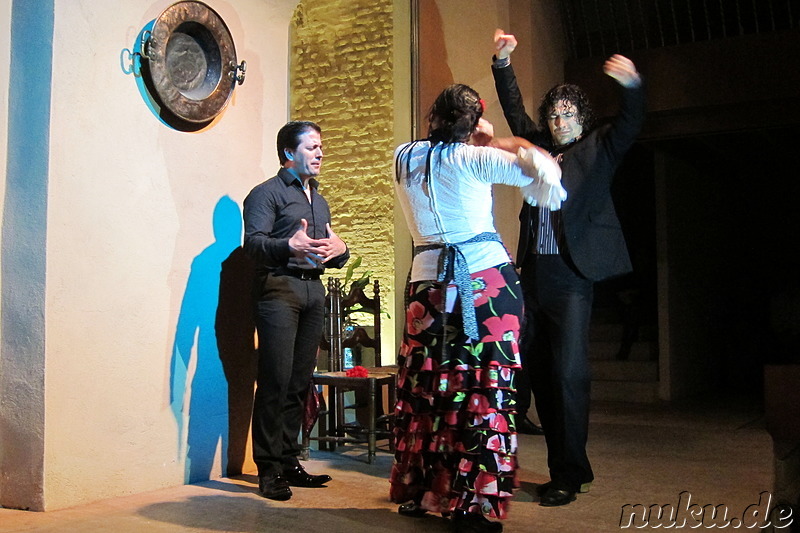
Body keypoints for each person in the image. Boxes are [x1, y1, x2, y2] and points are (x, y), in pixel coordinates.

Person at [389, 83, 565, 533]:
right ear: (473, 122)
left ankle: (423, 490)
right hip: (484, 281)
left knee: (431, 389)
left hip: (428, 283)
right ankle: (476, 505)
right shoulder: (475, 157)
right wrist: (502, 141)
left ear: (433, 116)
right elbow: (547, 176)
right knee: (484, 393)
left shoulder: (403, 156)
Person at [491, 30, 646, 507]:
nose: (558, 121)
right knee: (534, 374)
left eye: (567, 114)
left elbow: (631, 122)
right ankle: (543, 465)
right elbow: (514, 112)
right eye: (554, 114)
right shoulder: (537, 145)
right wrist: (502, 63)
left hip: (572, 280)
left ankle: (570, 472)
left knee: (568, 376)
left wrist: (632, 85)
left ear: (582, 119)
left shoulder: (599, 146)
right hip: (532, 276)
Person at [243, 120, 349, 501]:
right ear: (289, 152)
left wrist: (342, 253)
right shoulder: (265, 194)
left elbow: (328, 249)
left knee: (299, 383)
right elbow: (253, 245)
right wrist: (289, 245)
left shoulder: (318, 200)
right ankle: (269, 469)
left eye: (321, 147)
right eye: (312, 147)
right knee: (275, 380)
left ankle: (289, 459)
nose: (320, 153)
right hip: (279, 290)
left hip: (313, 292)